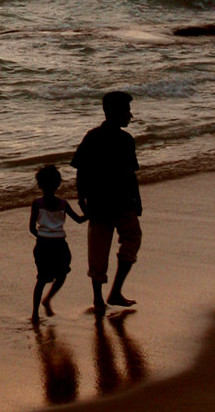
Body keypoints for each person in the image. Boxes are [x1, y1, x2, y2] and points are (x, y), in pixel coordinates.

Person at [71, 91, 142, 314]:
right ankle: (114, 292)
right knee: (131, 241)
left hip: (100, 203)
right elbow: (131, 175)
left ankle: (100, 299)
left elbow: (80, 171)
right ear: (115, 113)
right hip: (121, 202)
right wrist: (137, 200)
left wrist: (82, 198)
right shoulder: (125, 140)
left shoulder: (92, 136)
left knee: (98, 251)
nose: (130, 116)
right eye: (127, 111)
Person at [30, 165, 86, 323]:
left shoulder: (37, 203)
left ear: (39, 184)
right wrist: (90, 212)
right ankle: (47, 300)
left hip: (43, 245)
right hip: (60, 245)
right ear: (58, 184)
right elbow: (80, 220)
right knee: (61, 275)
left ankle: (35, 313)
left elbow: (31, 228)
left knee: (41, 280)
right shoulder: (63, 204)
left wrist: (42, 236)